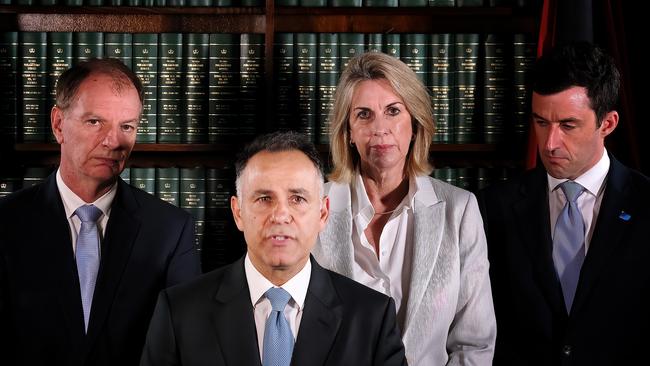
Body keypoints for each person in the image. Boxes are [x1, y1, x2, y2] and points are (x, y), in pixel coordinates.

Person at [140, 131, 407, 366]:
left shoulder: (372, 317)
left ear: (323, 214)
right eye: (264, 198)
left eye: (297, 198)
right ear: (238, 213)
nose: (280, 215)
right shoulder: (180, 312)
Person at [0, 58, 201, 366]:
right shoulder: (6, 222)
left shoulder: (170, 230)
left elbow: (183, 348)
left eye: (127, 127)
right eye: (95, 122)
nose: (114, 142)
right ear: (58, 125)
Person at [313, 51, 496, 365]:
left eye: (393, 111)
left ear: (415, 124)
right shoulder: (315, 209)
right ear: (349, 132)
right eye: (364, 115)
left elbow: (474, 345)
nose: (380, 128)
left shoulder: (460, 210)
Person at [477, 42, 650, 365]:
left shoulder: (646, 206)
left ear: (607, 124)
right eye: (541, 122)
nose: (550, 143)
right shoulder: (492, 208)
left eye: (567, 125)